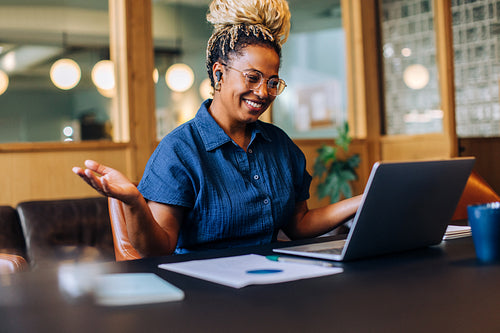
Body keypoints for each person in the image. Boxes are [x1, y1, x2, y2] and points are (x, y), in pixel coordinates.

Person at [73, 0, 362, 257]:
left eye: (273, 82)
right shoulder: (180, 149)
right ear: (219, 74)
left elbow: (299, 225)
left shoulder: (280, 144)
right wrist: (134, 202)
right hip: (203, 293)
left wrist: (362, 200)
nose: (263, 92)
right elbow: (157, 249)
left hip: (272, 281)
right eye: (252, 78)